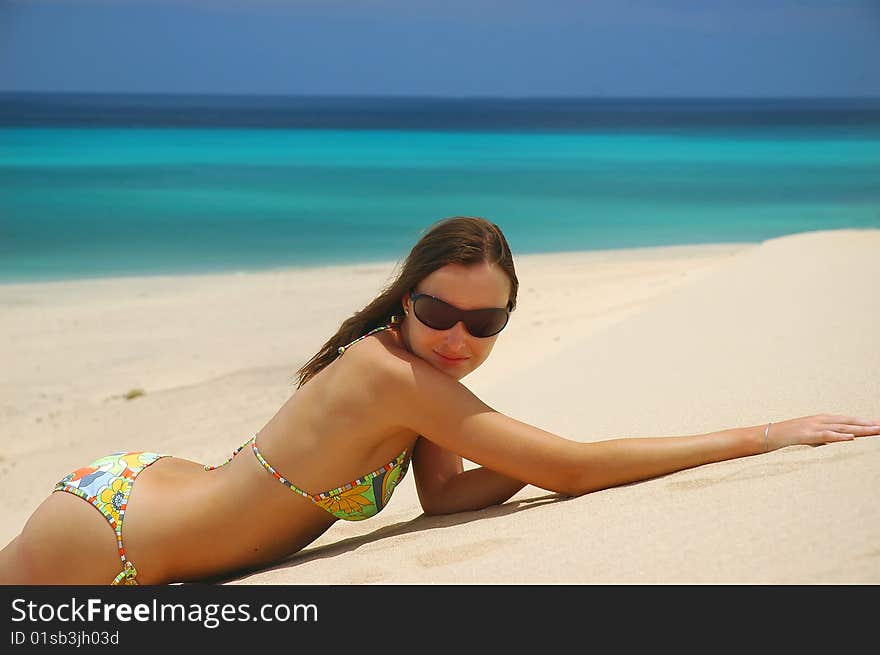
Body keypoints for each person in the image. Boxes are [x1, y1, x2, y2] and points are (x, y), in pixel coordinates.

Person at [0, 215, 877, 586]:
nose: (457, 338)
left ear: (508, 317)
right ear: (405, 297)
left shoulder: (417, 383)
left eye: (484, 320)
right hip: (111, 535)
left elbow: (449, 496)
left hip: (152, 495)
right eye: (436, 311)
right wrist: (769, 433)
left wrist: (509, 452)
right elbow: (568, 470)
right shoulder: (391, 373)